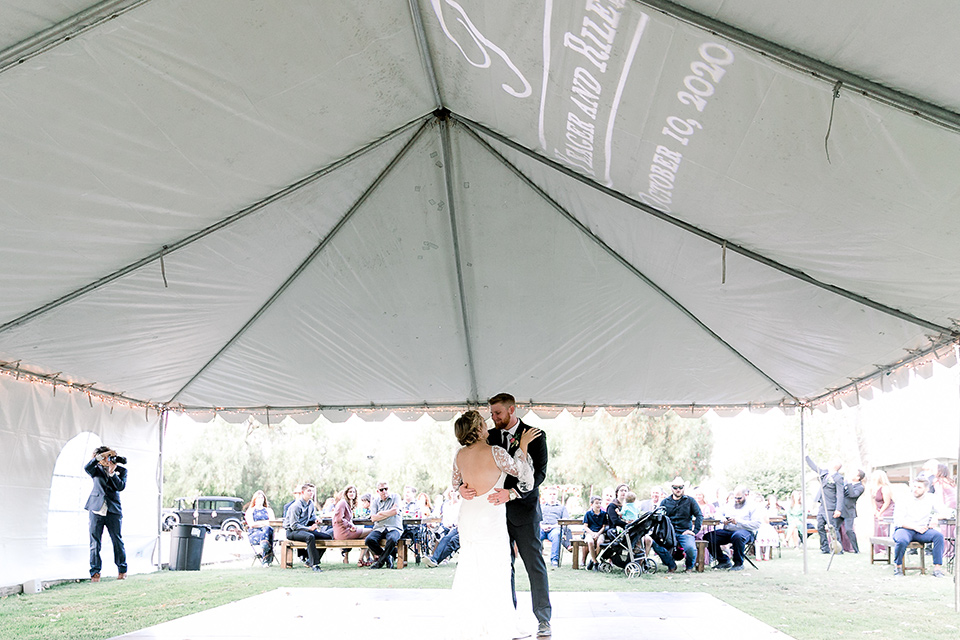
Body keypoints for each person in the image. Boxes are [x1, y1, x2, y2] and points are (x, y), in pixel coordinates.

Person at [459, 393, 552, 638]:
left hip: (524, 510)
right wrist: (461, 487)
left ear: (512, 409)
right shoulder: (486, 436)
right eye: (491, 414)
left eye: (498, 413)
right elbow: (469, 467)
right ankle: (507, 617)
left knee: (534, 566)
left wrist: (510, 494)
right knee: (501, 568)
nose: (493, 418)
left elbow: (539, 475)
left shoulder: (534, 435)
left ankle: (543, 619)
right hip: (492, 514)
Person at [84, 446, 127, 582]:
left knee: (117, 540)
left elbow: (120, 487)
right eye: (105, 457)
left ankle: (122, 570)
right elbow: (87, 467)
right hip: (96, 509)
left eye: (109, 457)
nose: (107, 459)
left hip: (113, 510)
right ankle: (95, 572)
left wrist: (112, 472)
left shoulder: (122, 470)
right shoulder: (95, 470)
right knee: (95, 543)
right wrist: (101, 456)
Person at [892, 478, 948, 577]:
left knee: (938, 536)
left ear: (926, 489)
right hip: (905, 529)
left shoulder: (932, 498)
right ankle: (898, 566)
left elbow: (946, 512)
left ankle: (937, 569)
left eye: (919, 487)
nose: (915, 489)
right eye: (914, 486)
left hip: (922, 531)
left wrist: (935, 517)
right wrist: (915, 527)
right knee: (901, 540)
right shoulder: (903, 499)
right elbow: (898, 521)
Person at [652, 477, 702, 573]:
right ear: (671, 488)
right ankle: (671, 565)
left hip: (684, 532)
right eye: (675, 487)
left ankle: (689, 568)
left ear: (684, 488)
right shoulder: (665, 502)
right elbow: (658, 518)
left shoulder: (690, 501)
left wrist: (694, 531)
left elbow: (699, 515)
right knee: (655, 544)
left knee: (690, 548)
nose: (678, 490)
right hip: (669, 533)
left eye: (680, 487)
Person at [704, 486, 760, 571]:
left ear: (746, 495)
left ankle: (738, 563)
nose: (737, 500)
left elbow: (756, 524)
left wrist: (738, 522)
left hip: (746, 532)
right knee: (709, 536)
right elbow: (717, 513)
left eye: (739, 498)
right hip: (728, 530)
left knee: (737, 536)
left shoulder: (753, 506)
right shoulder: (730, 504)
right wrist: (723, 520)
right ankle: (723, 560)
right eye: (735, 498)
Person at [283, 483, 329, 572]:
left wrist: (317, 519)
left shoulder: (311, 503)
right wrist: (309, 529)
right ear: (303, 492)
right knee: (310, 537)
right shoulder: (296, 506)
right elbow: (294, 525)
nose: (311, 493)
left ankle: (309, 561)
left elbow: (312, 516)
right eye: (309, 491)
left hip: (303, 529)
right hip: (292, 531)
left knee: (327, 537)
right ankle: (315, 565)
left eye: (312, 491)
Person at [806, 456, 844, 554]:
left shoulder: (838, 478)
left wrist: (838, 509)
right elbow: (815, 467)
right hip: (822, 506)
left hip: (831, 507)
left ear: (835, 466)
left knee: (833, 528)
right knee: (820, 526)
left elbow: (840, 494)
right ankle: (824, 548)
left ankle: (837, 548)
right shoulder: (825, 473)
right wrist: (806, 457)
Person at [366, 480, 403, 569]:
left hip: (394, 527)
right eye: (381, 490)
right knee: (369, 540)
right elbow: (373, 518)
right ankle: (387, 558)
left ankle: (380, 562)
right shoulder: (375, 501)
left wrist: (380, 513)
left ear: (388, 488)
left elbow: (395, 511)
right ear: (378, 491)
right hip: (379, 528)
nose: (384, 491)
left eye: (386, 489)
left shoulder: (396, 497)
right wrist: (389, 512)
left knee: (392, 539)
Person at [333, 484, 372, 565]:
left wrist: (351, 526)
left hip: (346, 530)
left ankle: (361, 560)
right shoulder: (342, 502)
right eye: (350, 492)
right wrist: (351, 525)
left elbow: (346, 519)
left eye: (353, 492)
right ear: (346, 493)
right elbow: (339, 519)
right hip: (342, 533)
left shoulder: (348, 503)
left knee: (366, 537)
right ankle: (364, 559)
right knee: (371, 531)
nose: (352, 493)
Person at [539, 487, 569, 569]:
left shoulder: (562, 508)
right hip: (542, 528)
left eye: (554, 494)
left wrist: (552, 526)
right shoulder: (541, 507)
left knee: (557, 535)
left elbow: (565, 521)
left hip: (555, 528)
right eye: (550, 494)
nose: (552, 496)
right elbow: (536, 519)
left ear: (557, 496)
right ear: (546, 496)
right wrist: (542, 526)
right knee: (535, 534)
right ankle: (535, 559)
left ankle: (554, 560)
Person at [245, 490, 276, 566]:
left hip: (268, 532)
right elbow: (251, 524)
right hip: (255, 533)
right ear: (254, 499)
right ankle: (266, 556)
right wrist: (264, 523)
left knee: (267, 529)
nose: (260, 499)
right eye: (258, 498)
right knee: (267, 531)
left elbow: (272, 523)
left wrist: (260, 523)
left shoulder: (269, 510)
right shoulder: (250, 511)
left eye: (262, 498)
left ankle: (264, 548)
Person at [869, 469, 895, 554]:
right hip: (878, 508)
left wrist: (880, 512)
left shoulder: (885, 488)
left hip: (887, 509)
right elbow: (873, 500)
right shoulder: (873, 488)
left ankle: (885, 548)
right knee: (877, 527)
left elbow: (887, 502)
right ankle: (878, 548)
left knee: (883, 526)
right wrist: (875, 510)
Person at [840, 469, 865, 553]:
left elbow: (852, 495)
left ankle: (856, 548)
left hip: (849, 511)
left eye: (854, 474)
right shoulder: (845, 483)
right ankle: (838, 548)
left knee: (848, 530)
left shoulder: (860, 487)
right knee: (835, 528)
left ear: (858, 477)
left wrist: (849, 483)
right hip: (840, 509)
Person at [582, 496, 608, 570]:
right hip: (590, 532)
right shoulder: (588, 514)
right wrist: (592, 533)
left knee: (600, 542)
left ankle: (592, 560)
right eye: (596, 503)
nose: (598, 505)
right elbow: (585, 527)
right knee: (590, 541)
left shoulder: (603, 514)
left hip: (600, 533)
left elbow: (603, 527)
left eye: (600, 503)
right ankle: (595, 562)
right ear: (591, 504)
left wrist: (598, 534)